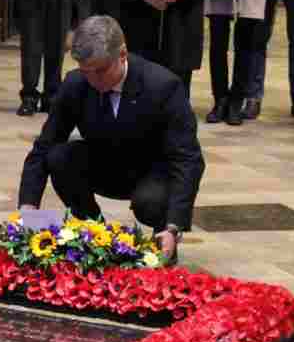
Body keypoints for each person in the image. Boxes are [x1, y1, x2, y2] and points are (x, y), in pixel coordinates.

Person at [17, 16, 204, 263]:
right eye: (87, 72)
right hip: (105, 164)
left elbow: (188, 159)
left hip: (153, 173)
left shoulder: (163, 86)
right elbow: (45, 146)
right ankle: (94, 233)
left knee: (149, 202)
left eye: (101, 71)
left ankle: (163, 239)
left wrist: (174, 226)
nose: (94, 80)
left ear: (122, 54)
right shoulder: (76, 84)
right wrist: (28, 207)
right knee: (59, 157)